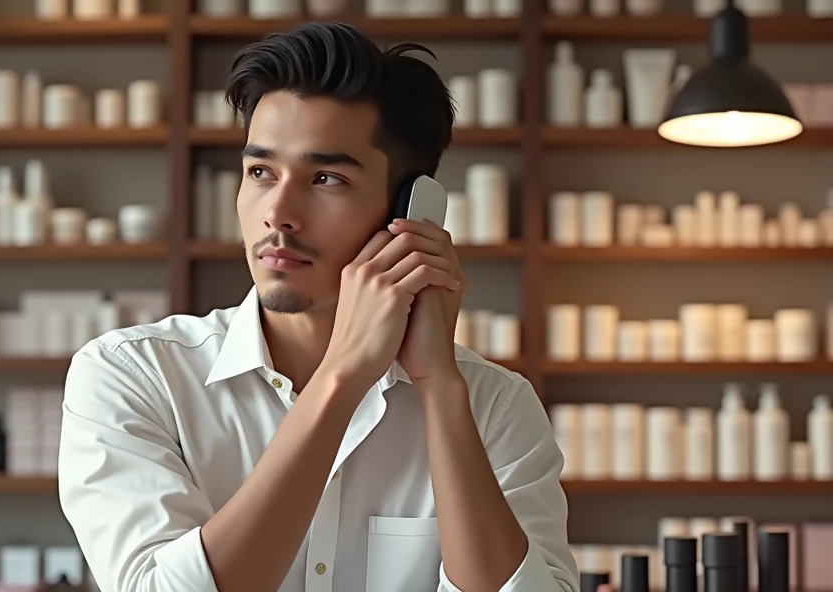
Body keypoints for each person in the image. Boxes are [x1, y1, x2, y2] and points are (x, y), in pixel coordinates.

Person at [58, 21, 578, 592]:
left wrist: (439, 387)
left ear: (409, 214)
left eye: (325, 177)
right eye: (260, 172)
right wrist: (341, 377)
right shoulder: (133, 376)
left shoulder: (493, 407)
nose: (278, 211)